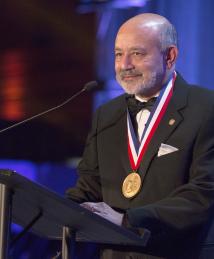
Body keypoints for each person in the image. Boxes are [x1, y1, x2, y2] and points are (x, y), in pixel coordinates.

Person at [66, 13, 214, 259]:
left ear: (170, 56)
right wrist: (48, 211)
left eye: (137, 53)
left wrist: (127, 220)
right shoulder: (106, 114)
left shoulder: (206, 108)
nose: (124, 65)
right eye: (118, 54)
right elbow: (88, 187)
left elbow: (203, 193)